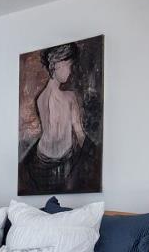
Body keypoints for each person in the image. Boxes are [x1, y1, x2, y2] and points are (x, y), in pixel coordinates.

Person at [19, 41, 99, 193]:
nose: (70, 71)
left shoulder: (40, 98)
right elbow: (80, 133)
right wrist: (95, 153)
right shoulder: (69, 97)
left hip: (40, 160)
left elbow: (49, 131)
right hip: (63, 161)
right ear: (58, 64)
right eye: (69, 65)